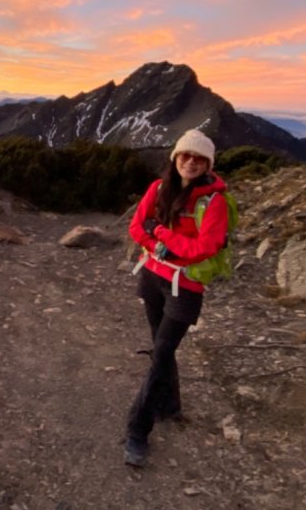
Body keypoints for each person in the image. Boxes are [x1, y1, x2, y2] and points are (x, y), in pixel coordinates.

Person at [123, 128, 231, 467]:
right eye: (186, 155)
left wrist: (162, 234)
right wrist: (158, 242)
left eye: (199, 158)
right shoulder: (158, 189)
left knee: (162, 352)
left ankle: (136, 430)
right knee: (160, 346)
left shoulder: (214, 201)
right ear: (176, 158)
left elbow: (205, 248)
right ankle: (170, 407)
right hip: (153, 277)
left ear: (208, 164)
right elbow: (136, 227)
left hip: (185, 288)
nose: (191, 162)